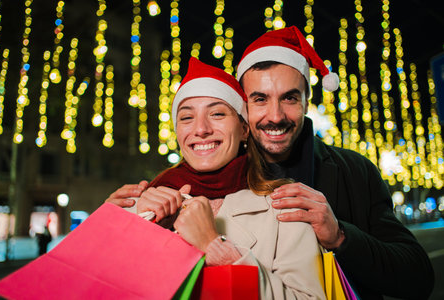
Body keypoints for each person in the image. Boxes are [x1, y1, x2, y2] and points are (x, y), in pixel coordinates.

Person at [108, 26, 434, 299]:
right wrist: (110, 223)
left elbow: (417, 277)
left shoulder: (354, 171)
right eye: (259, 99)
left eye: (290, 98)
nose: (275, 116)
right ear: (244, 115)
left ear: (307, 100)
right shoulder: (173, 187)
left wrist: (340, 237)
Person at [112, 57, 326, 299]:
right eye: (186, 117)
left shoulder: (285, 206)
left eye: (216, 114)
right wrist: (114, 227)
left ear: (244, 129)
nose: (201, 129)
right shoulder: (143, 202)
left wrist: (216, 248)